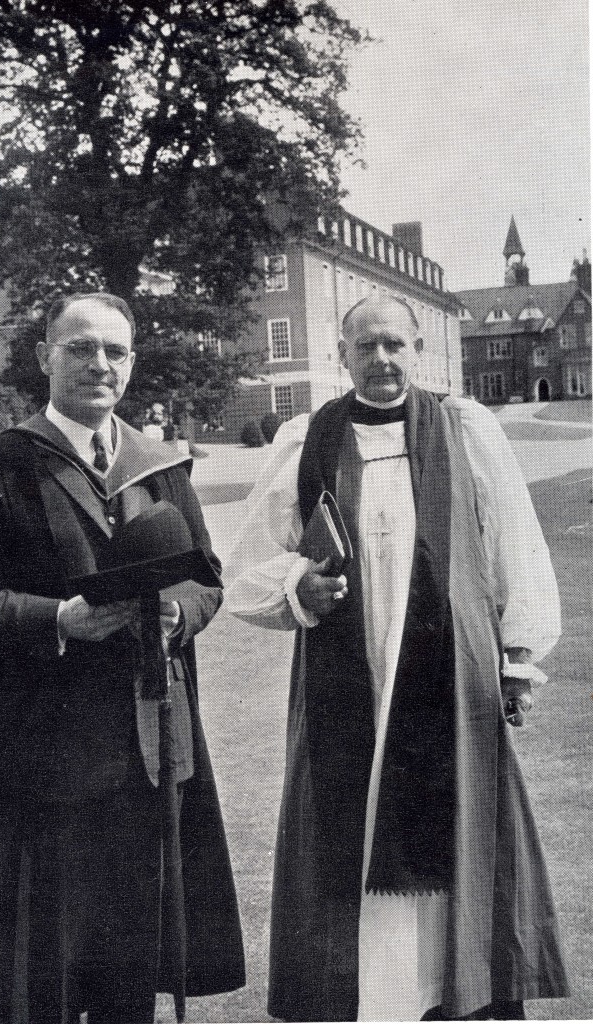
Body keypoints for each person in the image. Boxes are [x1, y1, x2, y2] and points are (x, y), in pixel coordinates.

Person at [0, 293, 245, 1024]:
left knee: (129, 973)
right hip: (38, 763)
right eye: (80, 348)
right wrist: (58, 619)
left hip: (147, 755)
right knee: (43, 979)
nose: (99, 365)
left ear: (132, 363)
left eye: (116, 352)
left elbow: (206, 579)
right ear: (43, 357)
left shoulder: (159, 467)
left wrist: (177, 614)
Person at [226, 295, 569, 1022]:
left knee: (455, 832)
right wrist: (298, 585)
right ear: (341, 354)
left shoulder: (465, 431)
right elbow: (247, 570)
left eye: (394, 345)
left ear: (418, 348)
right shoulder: (305, 440)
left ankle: (455, 997)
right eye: (364, 347)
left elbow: (513, 543)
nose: (380, 360)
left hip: (450, 682)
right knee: (351, 836)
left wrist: (517, 654)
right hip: (345, 686)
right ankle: (372, 1005)